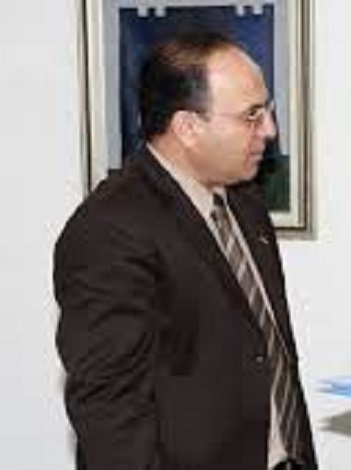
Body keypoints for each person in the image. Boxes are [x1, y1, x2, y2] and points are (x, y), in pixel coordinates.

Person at [54, 32, 316, 470]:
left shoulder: (244, 200)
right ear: (188, 127)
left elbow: (264, 356)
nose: (269, 130)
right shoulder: (109, 230)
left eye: (267, 111)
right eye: (251, 116)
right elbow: (110, 414)